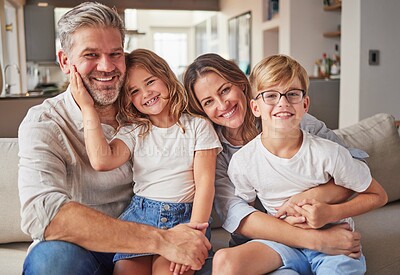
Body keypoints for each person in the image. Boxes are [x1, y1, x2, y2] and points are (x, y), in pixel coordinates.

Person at [18, 3, 212, 274]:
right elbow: (44, 213)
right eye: (91, 54)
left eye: (115, 54)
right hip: (86, 248)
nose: (106, 66)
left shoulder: (144, 109)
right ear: (65, 61)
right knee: (51, 260)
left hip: (161, 236)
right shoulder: (45, 122)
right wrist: (162, 240)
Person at [183, 53, 374, 274]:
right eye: (208, 102)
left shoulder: (287, 117)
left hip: (320, 225)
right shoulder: (214, 152)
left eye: (225, 90)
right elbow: (237, 215)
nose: (222, 104)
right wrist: (317, 240)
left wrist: (303, 200)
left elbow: (355, 172)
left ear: (241, 84)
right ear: (202, 110)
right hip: (266, 243)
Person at [70, 48, 221, 275]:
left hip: (184, 221)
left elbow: (205, 186)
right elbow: (102, 160)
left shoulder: (198, 126)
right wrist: (87, 107)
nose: (146, 94)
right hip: (140, 218)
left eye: (150, 82)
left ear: (165, 76)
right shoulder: (134, 131)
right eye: (134, 91)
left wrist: (194, 234)